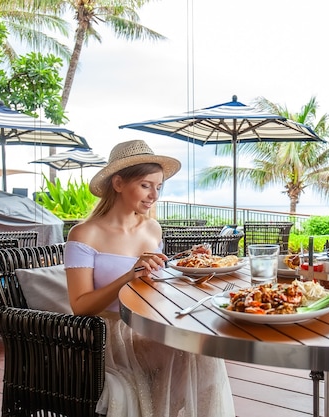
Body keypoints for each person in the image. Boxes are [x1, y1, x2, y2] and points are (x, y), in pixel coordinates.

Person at [64, 139, 235, 416]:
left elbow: (155, 283)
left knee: (201, 349)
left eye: (158, 186)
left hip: (151, 324)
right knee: (189, 353)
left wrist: (190, 261)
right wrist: (127, 276)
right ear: (118, 183)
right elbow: (80, 306)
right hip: (107, 335)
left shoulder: (152, 228)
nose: (154, 195)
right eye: (146, 185)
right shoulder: (84, 234)